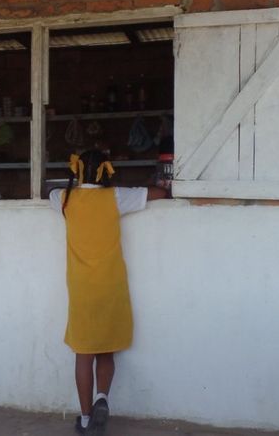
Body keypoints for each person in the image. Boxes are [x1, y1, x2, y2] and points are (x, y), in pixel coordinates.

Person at [49, 150, 168, 434]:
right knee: (106, 349)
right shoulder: (116, 197)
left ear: (76, 171)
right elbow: (157, 195)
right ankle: (103, 397)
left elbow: (49, 191)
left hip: (80, 287)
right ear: (106, 171)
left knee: (83, 352)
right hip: (111, 284)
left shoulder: (63, 198)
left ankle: (87, 418)